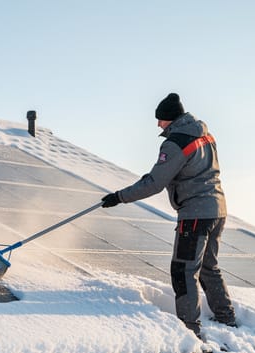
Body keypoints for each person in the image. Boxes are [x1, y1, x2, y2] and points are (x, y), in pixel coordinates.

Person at [101, 93, 236, 339]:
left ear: (170, 118)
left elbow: (154, 182)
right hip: (217, 209)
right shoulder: (204, 134)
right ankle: (227, 318)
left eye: (160, 120)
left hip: (194, 214)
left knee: (183, 271)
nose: (158, 125)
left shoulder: (175, 142)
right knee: (209, 267)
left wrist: (119, 196)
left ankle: (189, 329)